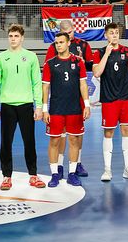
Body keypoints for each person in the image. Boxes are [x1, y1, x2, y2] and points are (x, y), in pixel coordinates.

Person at [0, 24, 46, 191]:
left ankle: (33, 175)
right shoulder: (0, 57)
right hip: (7, 106)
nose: (13, 39)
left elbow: (37, 83)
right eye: (11, 36)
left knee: (29, 141)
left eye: (16, 36)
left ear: (22, 38)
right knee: (6, 143)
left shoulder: (31, 57)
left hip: (26, 105)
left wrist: (39, 106)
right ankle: (6, 177)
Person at [44, 19, 95, 177]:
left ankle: (77, 164)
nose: (68, 36)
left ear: (74, 30)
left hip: (77, 96)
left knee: (77, 134)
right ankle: (58, 166)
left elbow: (89, 69)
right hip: (60, 97)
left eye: (70, 33)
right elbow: (48, 77)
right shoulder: (54, 48)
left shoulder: (84, 45)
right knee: (60, 134)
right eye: (65, 34)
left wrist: (87, 103)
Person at [92, 23, 128, 181]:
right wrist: (106, 54)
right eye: (111, 33)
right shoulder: (99, 52)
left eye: (116, 32)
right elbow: (97, 73)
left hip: (126, 98)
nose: (114, 35)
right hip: (108, 99)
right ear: (106, 35)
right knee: (109, 133)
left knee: (127, 131)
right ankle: (107, 170)